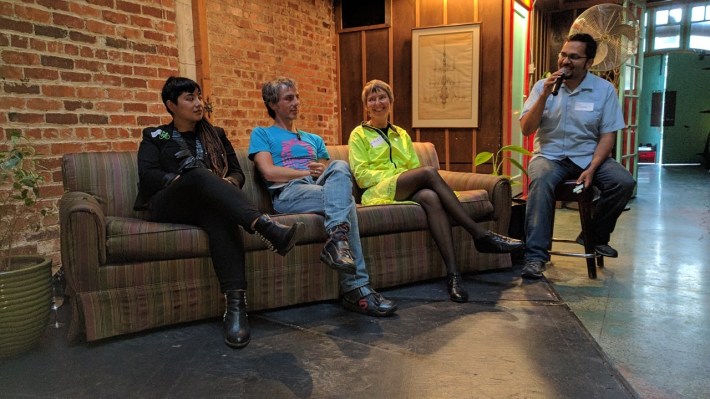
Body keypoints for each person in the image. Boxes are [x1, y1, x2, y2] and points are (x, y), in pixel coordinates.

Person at [134, 76, 304, 349]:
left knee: (219, 214)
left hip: (207, 206)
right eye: (189, 98)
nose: (198, 103)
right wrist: (185, 181)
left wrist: (227, 184)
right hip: (169, 204)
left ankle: (236, 309)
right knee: (198, 175)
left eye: (199, 96)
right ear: (171, 105)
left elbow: (237, 173)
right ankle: (263, 225)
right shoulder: (157, 136)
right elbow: (149, 175)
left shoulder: (216, 135)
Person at [348, 80, 525, 303]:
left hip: (404, 187)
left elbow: (412, 165)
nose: (377, 103)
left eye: (382, 97)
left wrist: (407, 178)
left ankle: (454, 275)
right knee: (429, 173)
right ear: (366, 105)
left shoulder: (400, 134)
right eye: (371, 99)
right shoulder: (359, 134)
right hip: (377, 190)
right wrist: (398, 177)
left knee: (431, 197)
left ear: (391, 101)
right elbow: (362, 175)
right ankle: (480, 234)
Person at [248, 77, 397, 317]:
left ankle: (338, 239)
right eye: (289, 98)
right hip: (289, 193)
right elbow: (269, 172)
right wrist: (307, 170)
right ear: (273, 104)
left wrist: (321, 170)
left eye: (297, 97)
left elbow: (332, 175)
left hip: (318, 189)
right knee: (345, 202)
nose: (296, 102)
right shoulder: (262, 134)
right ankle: (356, 288)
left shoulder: (313, 139)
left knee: (339, 166)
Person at [519, 33, 636, 279]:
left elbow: (607, 136)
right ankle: (535, 257)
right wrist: (544, 95)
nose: (565, 61)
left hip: (587, 155)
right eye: (563, 55)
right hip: (550, 156)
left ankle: (593, 236)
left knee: (623, 182)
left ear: (588, 62)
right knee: (540, 181)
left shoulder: (603, 90)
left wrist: (593, 168)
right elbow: (526, 129)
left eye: (574, 57)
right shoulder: (543, 86)